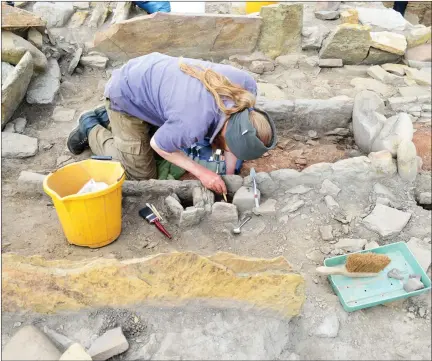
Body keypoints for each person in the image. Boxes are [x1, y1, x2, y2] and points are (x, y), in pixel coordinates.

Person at [67, 53, 277, 194]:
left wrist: (228, 175)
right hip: (126, 91)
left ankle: (117, 114)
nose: (234, 154)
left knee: (184, 137)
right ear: (227, 136)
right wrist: (203, 173)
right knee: (141, 176)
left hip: (156, 78)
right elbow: (159, 145)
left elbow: (235, 140)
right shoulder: (193, 123)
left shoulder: (247, 89)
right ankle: (92, 124)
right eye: (234, 150)